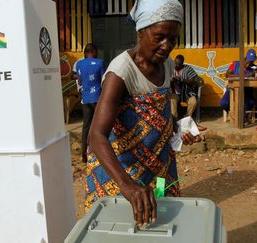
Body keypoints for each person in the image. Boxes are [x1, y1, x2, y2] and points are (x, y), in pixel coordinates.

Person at [86, 0, 199, 226]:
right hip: (120, 173)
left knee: (158, 223)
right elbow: (96, 136)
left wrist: (178, 129)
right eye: (159, 37)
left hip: (157, 166)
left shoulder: (166, 65)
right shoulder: (120, 72)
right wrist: (127, 186)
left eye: (173, 39)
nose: (167, 46)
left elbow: (159, 112)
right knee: (120, 229)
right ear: (140, 33)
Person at [73, 43, 105, 162]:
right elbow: (104, 81)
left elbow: (80, 82)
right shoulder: (100, 63)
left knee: (86, 126)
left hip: (85, 99)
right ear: (95, 52)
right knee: (100, 125)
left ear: (85, 53)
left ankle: (84, 156)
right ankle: (100, 154)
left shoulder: (79, 64)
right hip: (98, 99)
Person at [220, 49, 257, 121]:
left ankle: (242, 117)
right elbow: (228, 74)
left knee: (249, 103)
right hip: (232, 90)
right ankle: (233, 113)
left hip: (246, 91)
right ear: (245, 58)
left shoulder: (253, 67)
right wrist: (243, 75)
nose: (248, 64)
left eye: (251, 62)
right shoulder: (236, 64)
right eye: (248, 61)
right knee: (224, 103)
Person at [172, 55, 207, 131]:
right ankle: (175, 121)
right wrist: (171, 80)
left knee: (193, 101)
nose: (176, 66)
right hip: (176, 93)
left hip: (188, 93)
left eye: (178, 64)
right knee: (172, 100)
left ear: (182, 64)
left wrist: (181, 79)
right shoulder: (171, 69)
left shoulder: (188, 69)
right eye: (175, 63)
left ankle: (187, 119)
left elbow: (193, 80)